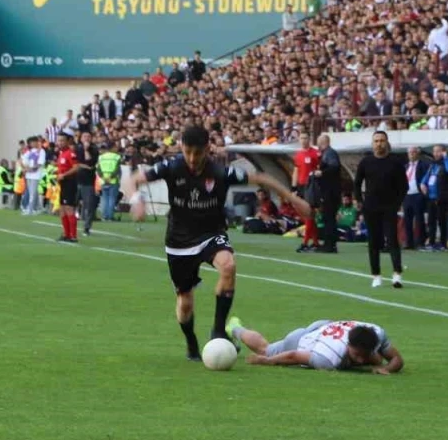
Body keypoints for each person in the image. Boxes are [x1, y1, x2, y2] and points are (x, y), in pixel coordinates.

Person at [124, 125, 309, 362]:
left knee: (228, 265)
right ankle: (191, 342)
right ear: (181, 147)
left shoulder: (220, 172)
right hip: (179, 241)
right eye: (188, 152)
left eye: (198, 153)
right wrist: (136, 200)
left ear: (207, 149)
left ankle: (218, 331)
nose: (192, 158)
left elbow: (262, 178)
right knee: (185, 302)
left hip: (211, 233)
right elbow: (133, 180)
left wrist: (294, 200)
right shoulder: (172, 167)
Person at [225, 317, 404, 374]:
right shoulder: (329, 358)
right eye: (357, 354)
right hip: (303, 339)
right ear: (349, 344)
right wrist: (267, 361)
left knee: (376, 360)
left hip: (326, 326)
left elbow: (397, 360)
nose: (361, 360)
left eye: (365, 354)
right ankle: (234, 328)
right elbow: (294, 356)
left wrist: (386, 368)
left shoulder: (377, 334)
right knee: (266, 349)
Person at [355, 131, 407, 287]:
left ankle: (397, 274)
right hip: (370, 207)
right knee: (373, 241)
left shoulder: (395, 162)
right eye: (376, 141)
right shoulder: (366, 162)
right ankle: (376, 275)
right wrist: (359, 200)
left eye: (382, 141)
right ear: (372, 144)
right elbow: (357, 183)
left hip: (389, 207)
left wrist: (397, 203)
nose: (379, 144)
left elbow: (403, 186)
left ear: (387, 142)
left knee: (392, 240)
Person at [292, 135, 321, 252]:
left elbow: (320, 169)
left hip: (311, 186)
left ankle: (305, 243)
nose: (303, 140)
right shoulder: (298, 154)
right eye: (301, 138)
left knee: (309, 214)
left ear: (309, 139)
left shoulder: (315, 153)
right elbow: (296, 171)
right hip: (301, 187)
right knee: (307, 216)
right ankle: (315, 243)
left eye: (305, 138)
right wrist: (293, 188)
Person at [315, 133, 342, 253]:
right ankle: (329, 243)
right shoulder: (327, 153)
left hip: (330, 191)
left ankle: (330, 245)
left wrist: (322, 173)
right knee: (328, 217)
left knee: (329, 217)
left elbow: (334, 167)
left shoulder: (329, 153)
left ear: (323, 142)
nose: (317, 145)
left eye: (318, 142)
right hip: (330, 191)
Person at [54, 134, 83, 242]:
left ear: (67, 142)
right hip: (63, 183)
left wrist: (64, 175)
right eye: (59, 140)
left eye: (62, 140)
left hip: (70, 183)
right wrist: (57, 174)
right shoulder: (61, 153)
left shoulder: (70, 153)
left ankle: (73, 236)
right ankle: (66, 234)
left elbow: (76, 167)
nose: (60, 142)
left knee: (69, 208)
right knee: (62, 209)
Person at [401, 146, 428, 250]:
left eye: (413, 152)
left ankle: (420, 241)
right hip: (407, 195)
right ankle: (409, 242)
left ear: (418, 154)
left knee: (419, 219)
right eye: (410, 152)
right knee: (407, 219)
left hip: (417, 194)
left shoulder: (423, 165)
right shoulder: (406, 166)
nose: (411, 154)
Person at [96, 144, 123, 221]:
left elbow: (98, 169)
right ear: (112, 148)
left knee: (105, 199)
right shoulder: (117, 157)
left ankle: (104, 216)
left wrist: (103, 177)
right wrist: (111, 177)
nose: (117, 149)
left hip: (104, 180)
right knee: (112, 199)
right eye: (115, 147)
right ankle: (110, 216)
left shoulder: (101, 157)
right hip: (113, 180)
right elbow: (117, 169)